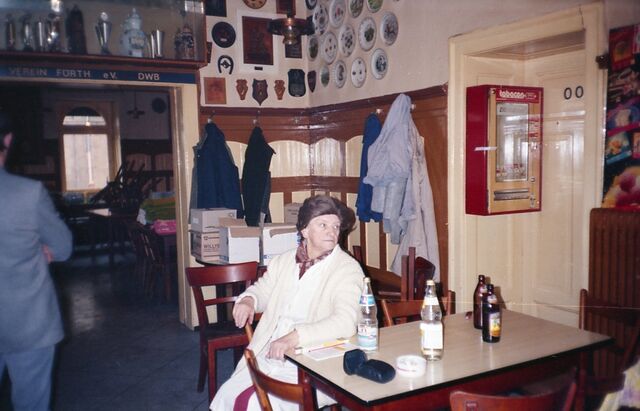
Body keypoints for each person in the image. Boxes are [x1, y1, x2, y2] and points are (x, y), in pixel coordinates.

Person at [210, 195, 364, 410]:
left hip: (316, 360)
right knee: (227, 395)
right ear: (304, 230)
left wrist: (294, 337)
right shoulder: (284, 260)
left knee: (257, 404)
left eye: (336, 226)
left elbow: (345, 322)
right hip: (270, 352)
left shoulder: (347, 269)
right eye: (323, 225)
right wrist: (249, 300)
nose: (332, 232)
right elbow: (263, 289)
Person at [0, 110, 73, 411]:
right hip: (28, 320)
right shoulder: (28, 194)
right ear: (7, 140)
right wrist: (39, 247)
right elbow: (63, 247)